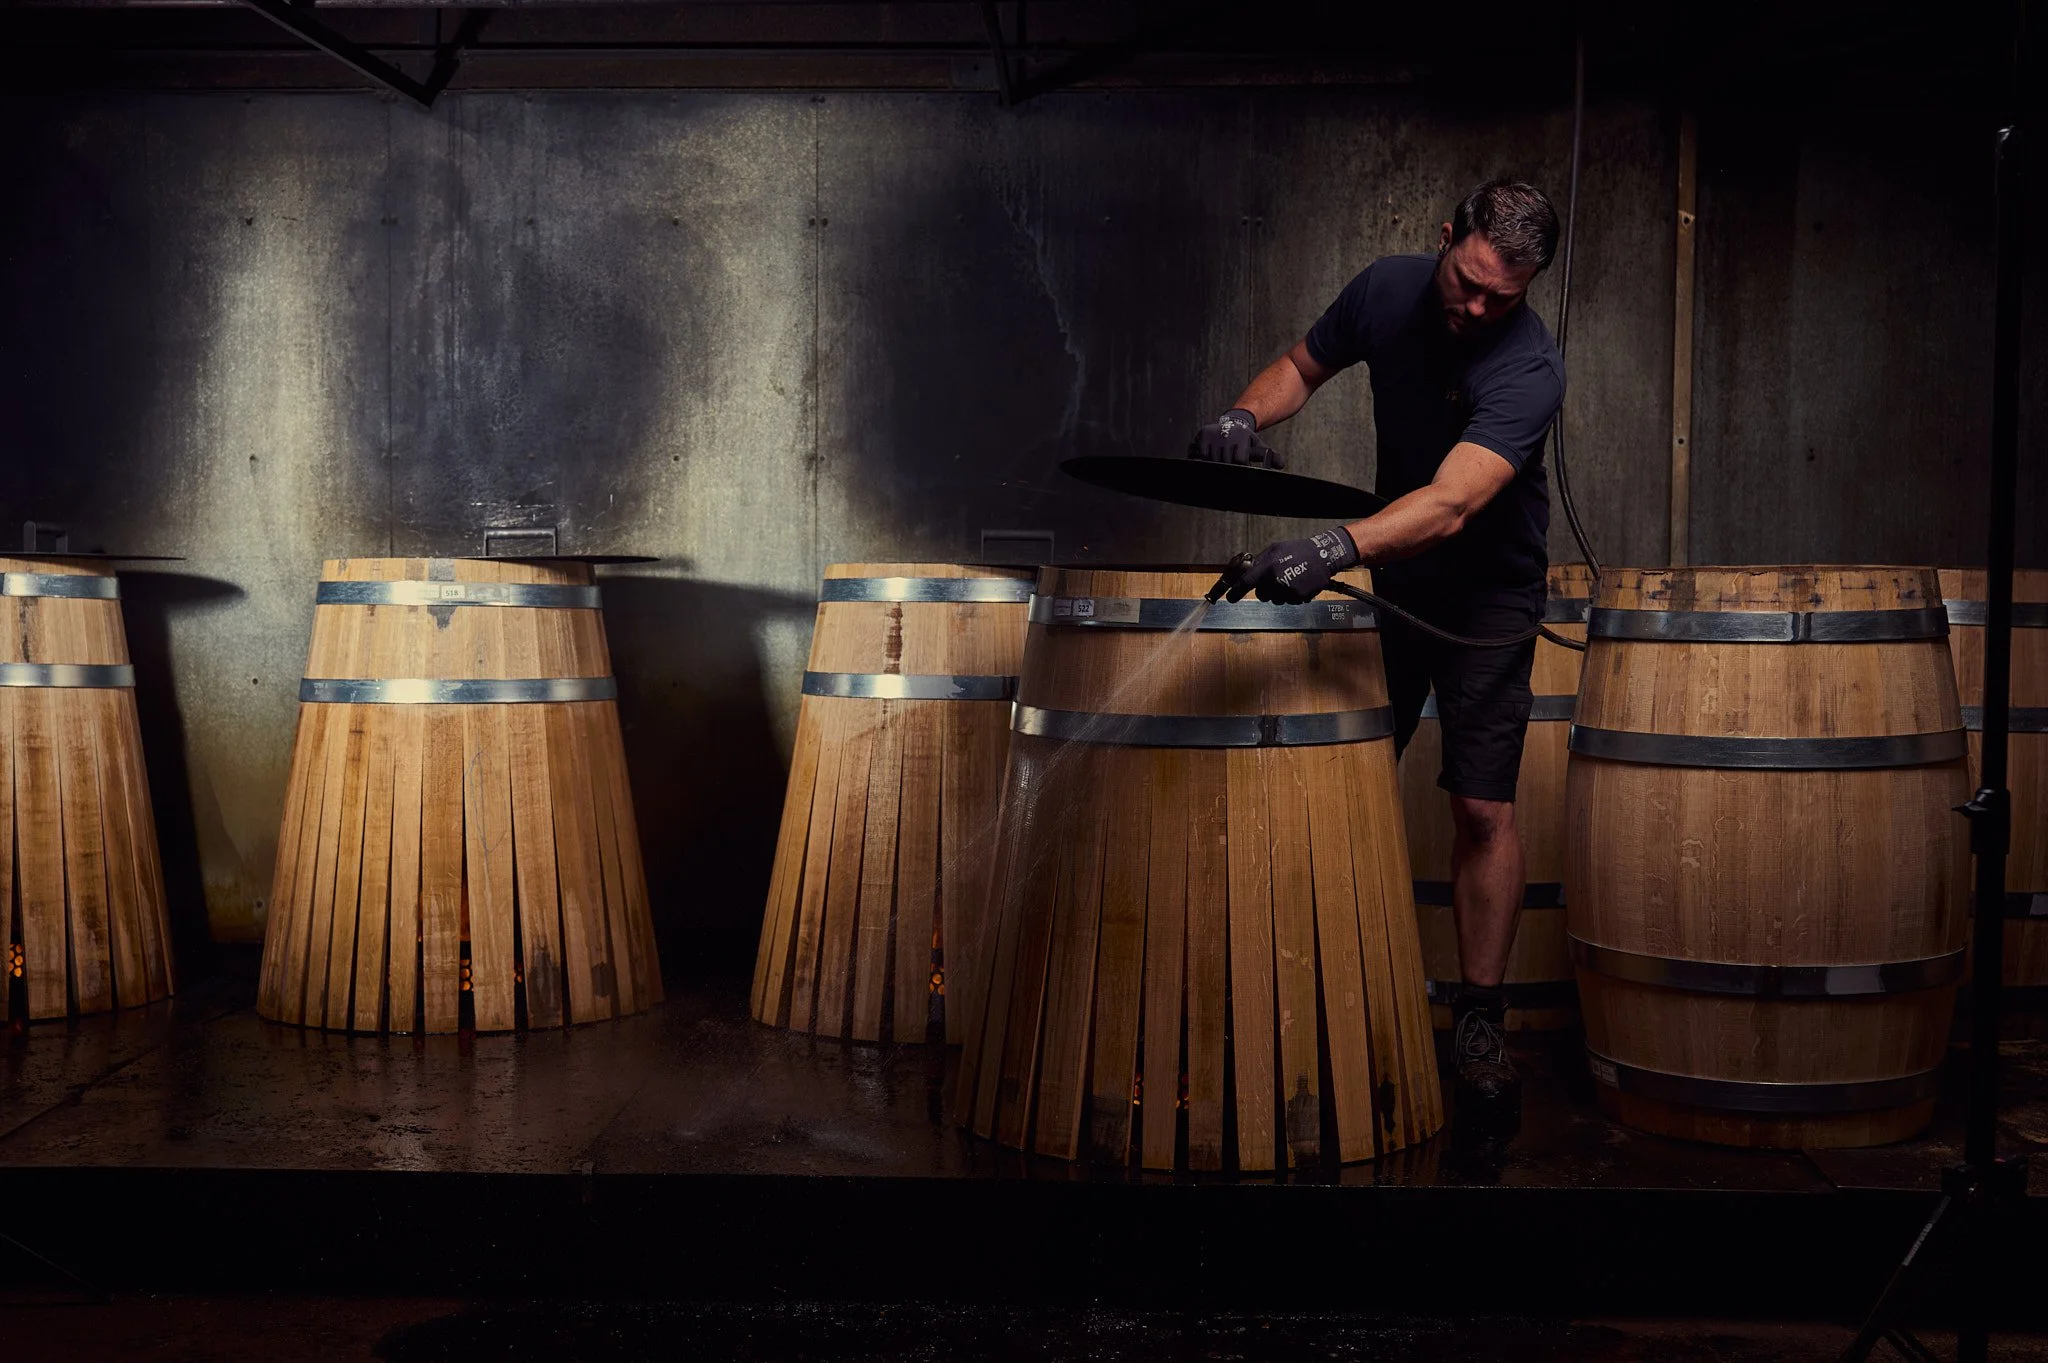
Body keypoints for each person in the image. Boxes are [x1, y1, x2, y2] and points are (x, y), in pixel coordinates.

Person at [1188, 179, 1564, 1114]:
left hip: (1486, 598)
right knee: (1347, 776)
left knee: (1481, 808)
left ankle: (1479, 1015)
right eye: (1469, 282)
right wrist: (1243, 412)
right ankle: (1314, 996)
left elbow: (1450, 504)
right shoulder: (1386, 289)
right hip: (1394, 581)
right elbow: (1302, 366)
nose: (1477, 309)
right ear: (1447, 237)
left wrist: (1329, 546)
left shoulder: (1530, 367)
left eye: (1501, 298)